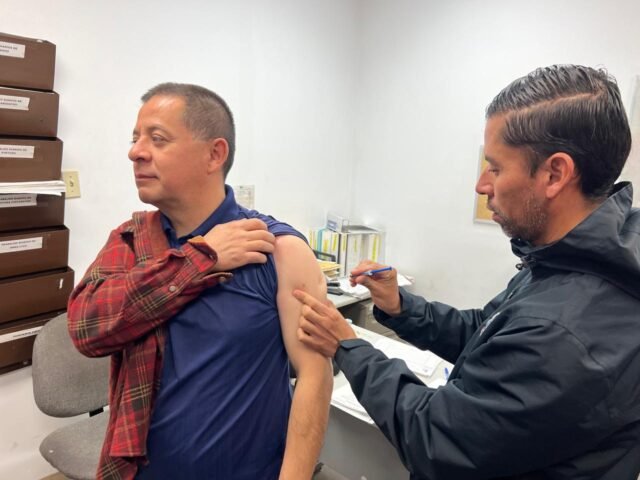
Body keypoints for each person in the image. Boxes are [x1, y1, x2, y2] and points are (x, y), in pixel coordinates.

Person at [294, 64, 640, 480]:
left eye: (495, 167)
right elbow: (487, 335)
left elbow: (436, 438)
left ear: (555, 174)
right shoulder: (576, 261)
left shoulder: (567, 331)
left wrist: (349, 346)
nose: (481, 185)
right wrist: (402, 307)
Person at [67, 83, 333, 480]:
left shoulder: (278, 250)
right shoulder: (131, 241)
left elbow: (315, 374)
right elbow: (86, 331)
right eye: (135, 139)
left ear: (214, 154)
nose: (135, 152)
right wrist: (201, 258)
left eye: (157, 138)